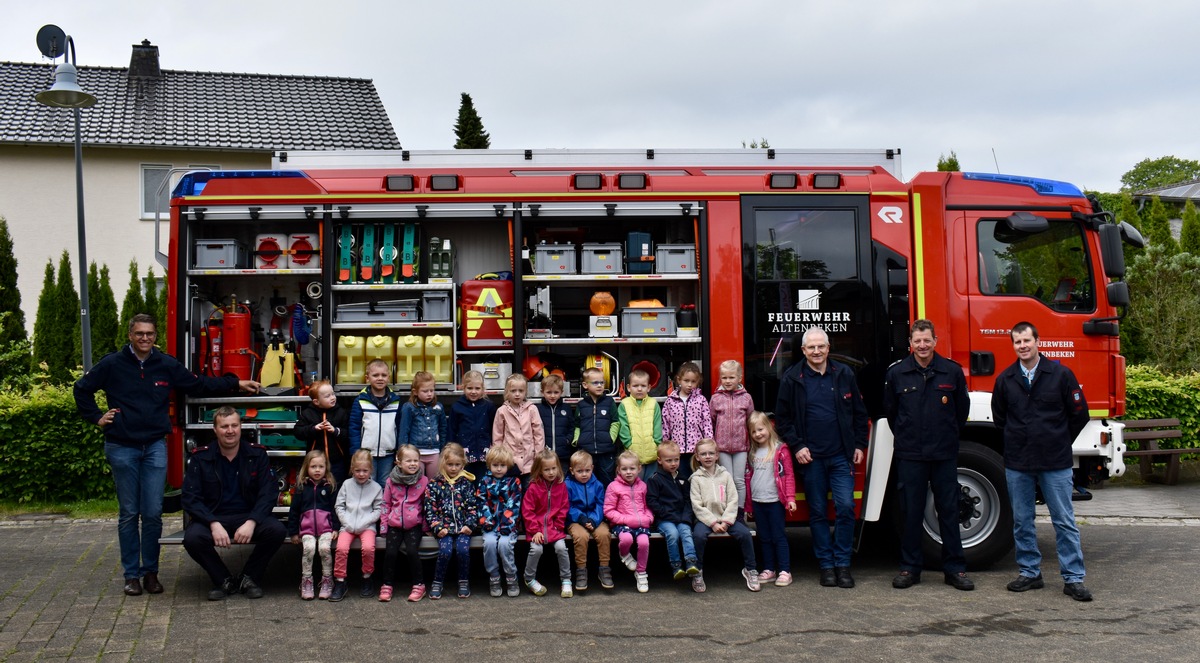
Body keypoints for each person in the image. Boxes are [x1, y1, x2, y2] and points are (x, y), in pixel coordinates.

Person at [74, 313, 260, 596]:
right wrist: (97, 417)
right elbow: (82, 389)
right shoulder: (112, 364)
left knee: (151, 514)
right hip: (121, 446)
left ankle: (151, 573)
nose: (145, 338)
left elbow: (197, 383)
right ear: (130, 335)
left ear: (155, 336)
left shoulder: (165, 364)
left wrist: (236, 384)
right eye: (139, 334)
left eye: (149, 334)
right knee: (128, 513)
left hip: (154, 447)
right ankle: (131, 576)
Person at [993, 321, 1093, 602]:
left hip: (1055, 462)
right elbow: (1000, 420)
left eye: (1027, 340)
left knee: (1064, 521)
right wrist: (1016, 443)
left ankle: (1073, 578)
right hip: (1018, 463)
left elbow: (1079, 414)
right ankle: (1029, 573)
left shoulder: (1061, 374)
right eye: (1017, 342)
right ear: (1012, 345)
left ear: (1038, 341)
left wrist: (1060, 442)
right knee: (1022, 520)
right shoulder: (1005, 380)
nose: (1023, 346)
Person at [774, 326, 868, 589]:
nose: (816, 351)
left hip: (841, 457)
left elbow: (859, 413)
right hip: (810, 459)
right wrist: (797, 446)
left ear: (828, 348)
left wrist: (860, 444)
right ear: (803, 351)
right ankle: (826, 566)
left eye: (821, 346)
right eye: (811, 347)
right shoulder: (793, 378)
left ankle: (843, 564)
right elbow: (783, 419)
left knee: (846, 508)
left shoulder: (844, 374)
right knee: (816, 513)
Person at [882, 319, 973, 591]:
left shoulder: (951, 372)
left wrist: (944, 435)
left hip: (944, 453)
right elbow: (891, 412)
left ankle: (955, 569)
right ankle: (910, 569)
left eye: (926, 340)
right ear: (910, 344)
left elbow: (961, 412)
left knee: (949, 510)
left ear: (935, 341)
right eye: (917, 341)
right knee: (911, 512)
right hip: (911, 454)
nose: (922, 345)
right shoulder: (897, 374)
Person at [181, 406, 285, 601]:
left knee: (277, 530)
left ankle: (249, 578)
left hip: (247, 516)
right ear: (215, 430)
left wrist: (252, 521)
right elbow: (190, 497)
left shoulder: (257, 455)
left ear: (240, 427)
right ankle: (223, 580)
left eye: (234, 425)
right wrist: (212, 523)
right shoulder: (201, 457)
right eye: (224, 426)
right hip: (214, 516)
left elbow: (268, 492)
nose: (230, 430)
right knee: (192, 538)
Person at [690, 438, 759, 593]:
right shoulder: (696, 479)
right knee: (699, 536)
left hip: (727, 517)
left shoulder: (725, 475)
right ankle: (698, 571)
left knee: (745, 534)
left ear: (717, 455)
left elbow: (733, 500)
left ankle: (751, 569)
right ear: (697, 457)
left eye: (711, 453)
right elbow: (697, 505)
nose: (707, 456)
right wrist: (713, 523)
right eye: (703, 454)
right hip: (706, 520)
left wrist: (727, 521)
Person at [744, 412, 797, 587]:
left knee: (778, 536)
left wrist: (790, 498)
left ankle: (784, 570)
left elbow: (788, 475)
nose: (758, 434)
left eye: (760, 429)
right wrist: (749, 504)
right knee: (764, 537)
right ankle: (769, 570)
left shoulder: (780, 450)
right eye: (753, 432)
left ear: (769, 427)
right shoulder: (752, 452)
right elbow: (749, 479)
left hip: (775, 501)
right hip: (759, 501)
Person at [424, 443, 479, 599]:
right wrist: (437, 527)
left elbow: (473, 507)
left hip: (463, 529)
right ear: (443, 463)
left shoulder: (467, 484)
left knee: (462, 550)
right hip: (444, 529)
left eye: (457, 465)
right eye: (450, 464)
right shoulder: (434, 484)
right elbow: (430, 509)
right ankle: (437, 581)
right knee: (445, 551)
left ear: (463, 464)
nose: (454, 468)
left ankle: (463, 581)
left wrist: (470, 525)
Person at [330, 449, 382, 602]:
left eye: (365, 471)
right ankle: (340, 581)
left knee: (368, 549)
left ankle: (367, 578)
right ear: (352, 469)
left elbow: (379, 509)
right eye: (357, 470)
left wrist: (365, 523)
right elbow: (339, 506)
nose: (361, 474)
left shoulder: (376, 488)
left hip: (367, 526)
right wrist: (346, 522)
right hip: (348, 525)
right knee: (341, 549)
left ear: (371, 470)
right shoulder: (346, 485)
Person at [379, 445, 429, 602]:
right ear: (398, 462)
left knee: (412, 552)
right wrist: (384, 525)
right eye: (408, 461)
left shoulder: (424, 481)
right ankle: (387, 585)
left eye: (416, 460)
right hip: (394, 524)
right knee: (391, 553)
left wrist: (426, 527)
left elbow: (427, 506)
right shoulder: (390, 481)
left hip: (414, 525)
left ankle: (419, 585)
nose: (413, 464)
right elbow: (386, 504)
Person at [288, 450, 340, 600]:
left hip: (326, 529)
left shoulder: (329, 486)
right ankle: (306, 580)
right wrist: (293, 532)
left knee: (324, 549)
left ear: (326, 468)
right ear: (307, 468)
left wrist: (335, 528)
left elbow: (334, 509)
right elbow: (294, 511)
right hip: (307, 530)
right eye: (313, 467)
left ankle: (327, 579)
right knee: (309, 549)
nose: (317, 470)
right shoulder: (302, 487)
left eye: (321, 467)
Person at [645, 441, 699, 583]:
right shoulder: (655, 479)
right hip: (665, 519)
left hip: (681, 518)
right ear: (660, 461)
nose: (673, 463)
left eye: (676, 459)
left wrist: (686, 517)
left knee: (686, 533)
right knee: (673, 535)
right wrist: (665, 514)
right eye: (669, 460)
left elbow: (688, 501)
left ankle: (691, 562)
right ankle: (676, 565)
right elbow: (652, 501)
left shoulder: (682, 478)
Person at [522, 449, 572, 598]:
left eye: (553, 468)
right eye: (546, 469)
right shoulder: (533, 488)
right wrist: (535, 530)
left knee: (562, 548)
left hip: (554, 528)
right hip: (536, 530)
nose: (551, 472)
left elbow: (564, 508)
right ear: (539, 470)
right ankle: (529, 579)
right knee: (536, 550)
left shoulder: (561, 486)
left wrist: (557, 526)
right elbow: (527, 511)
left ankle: (566, 580)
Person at [604, 450, 655, 593]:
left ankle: (641, 572)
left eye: (632, 468)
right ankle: (625, 554)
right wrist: (626, 519)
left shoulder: (643, 486)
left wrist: (649, 518)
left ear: (639, 469)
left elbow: (648, 507)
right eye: (624, 469)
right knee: (626, 539)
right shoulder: (613, 487)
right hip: (622, 524)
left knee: (644, 542)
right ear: (618, 470)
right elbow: (608, 510)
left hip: (641, 524)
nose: (628, 472)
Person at [476, 446, 523, 598]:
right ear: (489, 465)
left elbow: (514, 505)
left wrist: (506, 525)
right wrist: (487, 522)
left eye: (502, 466)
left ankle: (511, 577)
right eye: (495, 465)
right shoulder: (484, 481)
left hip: (508, 527)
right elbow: (481, 503)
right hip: (489, 526)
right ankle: (494, 576)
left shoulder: (514, 482)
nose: (498, 469)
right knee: (489, 544)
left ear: (508, 466)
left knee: (504, 545)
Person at [565, 450, 614, 591]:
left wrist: (593, 519)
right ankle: (581, 570)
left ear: (592, 468)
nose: (584, 474)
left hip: (595, 518)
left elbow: (600, 504)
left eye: (587, 470)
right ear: (572, 471)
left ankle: (604, 568)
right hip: (575, 520)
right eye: (580, 471)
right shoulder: (568, 485)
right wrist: (581, 518)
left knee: (604, 534)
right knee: (581, 537)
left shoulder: (597, 484)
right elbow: (567, 506)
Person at [349, 359, 402, 486]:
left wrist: (399, 451)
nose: (380, 378)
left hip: (388, 453)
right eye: (375, 375)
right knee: (367, 483)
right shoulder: (361, 401)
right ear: (367, 378)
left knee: (385, 484)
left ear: (389, 377)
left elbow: (399, 428)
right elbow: (354, 428)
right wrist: (356, 452)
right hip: (366, 453)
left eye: (384, 375)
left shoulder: (395, 401)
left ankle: (382, 507)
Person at [710, 359, 754, 511]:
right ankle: (728, 510)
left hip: (741, 447)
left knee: (739, 480)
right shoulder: (716, 398)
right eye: (724, 377)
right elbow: (712, 420)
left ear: (739, 378)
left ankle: (740, 511)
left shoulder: (746, 398)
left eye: (731, 377)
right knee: (727, 480)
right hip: (722, 447)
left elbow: (750, 420)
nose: (727, 381)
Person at [662, 362, 713, 477]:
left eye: (693, 381)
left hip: (697, 449)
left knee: (698, 477)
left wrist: (709, 443)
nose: (689, 385)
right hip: (677, 450)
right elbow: (666, 424)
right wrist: (665, 444)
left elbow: (707, 423)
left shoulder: (701, 400)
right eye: (686, 381)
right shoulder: (670, 401)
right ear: (679, 380)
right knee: (681, 478)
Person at [295, 379, 351, 482]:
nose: (333, 397)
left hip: (337, 461)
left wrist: (335, 430)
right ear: (316, 401)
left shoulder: (341, 412)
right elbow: (298, 432)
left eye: (333, 394)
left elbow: (348, 433)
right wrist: (313, 429)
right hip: (316, 463)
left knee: (337, 486)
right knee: (316, 487)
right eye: (327, 396)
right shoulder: (308, 413)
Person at [492, 373, 545, 480]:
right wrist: (499, 457)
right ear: (507, 392)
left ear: (525, 392)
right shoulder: (502, 411)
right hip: (509, 462)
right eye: (513, 391)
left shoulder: (532, 409)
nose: (517, 394)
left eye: (521, 391)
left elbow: (538, 434)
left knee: (528, 491)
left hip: (529, 462)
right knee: (511, 492)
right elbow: (497, 436)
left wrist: (538, 456)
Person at [399, 370, 448, 481]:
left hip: (434, 451)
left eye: (432, 390)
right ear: (415, 392)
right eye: (425, 391)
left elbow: (443, 429)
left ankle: (433, 499)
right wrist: (402, 453)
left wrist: (443, 449)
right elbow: (404, 431)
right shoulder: (409, 407)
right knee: (416, 482)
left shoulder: (438, 407)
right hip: (415, 454)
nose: (429, 394)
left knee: (434, 482)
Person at [574, 367, 620, 484]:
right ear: (585, 385)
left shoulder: (609, 402)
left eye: (602, 382)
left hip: (606, 451)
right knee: (588, 482)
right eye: (595, 383)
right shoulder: (581, 404)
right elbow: (577, 424)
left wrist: (611, 439)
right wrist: (577, 440)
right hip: (586, 451)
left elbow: (615, 422)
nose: (599, 385)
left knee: (607, 481)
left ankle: (607, 503)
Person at [449, 370, 496, 479]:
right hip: (464, 453)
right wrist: (451, 449)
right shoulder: (457, 407)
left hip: (485, 453)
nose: (473, 392)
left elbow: (494, 428)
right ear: (463, 388)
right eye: (470, 388)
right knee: (465, 481)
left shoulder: (488, 406)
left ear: (483, 389)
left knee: (483, 481)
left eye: (477, 388)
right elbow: (452, 430)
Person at [618, 368, 663, 480]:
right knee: (635, 484)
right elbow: (623, 426)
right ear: (628, 387)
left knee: (651, 483)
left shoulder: (653, 404)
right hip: (633, 455)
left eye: (643, 386)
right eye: (635, 386)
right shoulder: (624, 404)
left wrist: (656, 444)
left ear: (648, 388)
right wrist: (629, 444)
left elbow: (657, 425)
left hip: (652, 454)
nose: (639, 389)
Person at [537, 374, 576, 471]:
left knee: (562, 480)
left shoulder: (566, 408)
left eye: (556, 392)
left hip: (563, 454)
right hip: (545, 455)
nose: (552, 395)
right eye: (549, 392)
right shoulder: (537, 409)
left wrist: (567, 440)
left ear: (562, 392)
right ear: (542, 392)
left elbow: (572, 426)